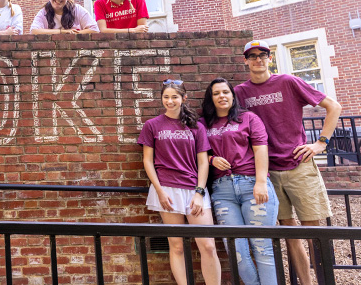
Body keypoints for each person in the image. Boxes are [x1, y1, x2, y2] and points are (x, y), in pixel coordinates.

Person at [235, 40, 342, 285]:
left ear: (269, 58)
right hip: (267, 172)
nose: (257, 59)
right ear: (246, 60)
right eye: (252, 56)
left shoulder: (288, 82)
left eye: (262, 55)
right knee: (289, 232)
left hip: (299, 164)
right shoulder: (240, 92)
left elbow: (333, 107)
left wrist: (320, 143)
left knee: (313, 231)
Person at [138, 80, 221, 285]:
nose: (170, 101)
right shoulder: (152, 125)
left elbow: (203, 162)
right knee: (176, 246)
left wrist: (199, 193)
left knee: (208, 246)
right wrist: (159, 191)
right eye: (166, 97)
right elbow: (147, 161)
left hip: (194, 190)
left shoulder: (196, 126)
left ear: (184, 99)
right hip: (166, 189)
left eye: (174, 97)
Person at [201, 78, 278, 285]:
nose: (222, 96)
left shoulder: (248, 118)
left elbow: (261, 149)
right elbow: (196, 153)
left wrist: (261, 182)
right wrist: (211, 159)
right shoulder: (204, 123)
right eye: (216, 93)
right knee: (235, 250)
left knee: (262, 247)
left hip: (252, 185)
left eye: (225, 92)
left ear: (233, 96)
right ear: (211, 98)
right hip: (222, 191)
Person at [29, 0, 99, 34]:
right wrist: (61, 32)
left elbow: (95, 29)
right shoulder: (44, 12)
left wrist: (73, 34)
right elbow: (34, 31)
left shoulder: (77, 9)